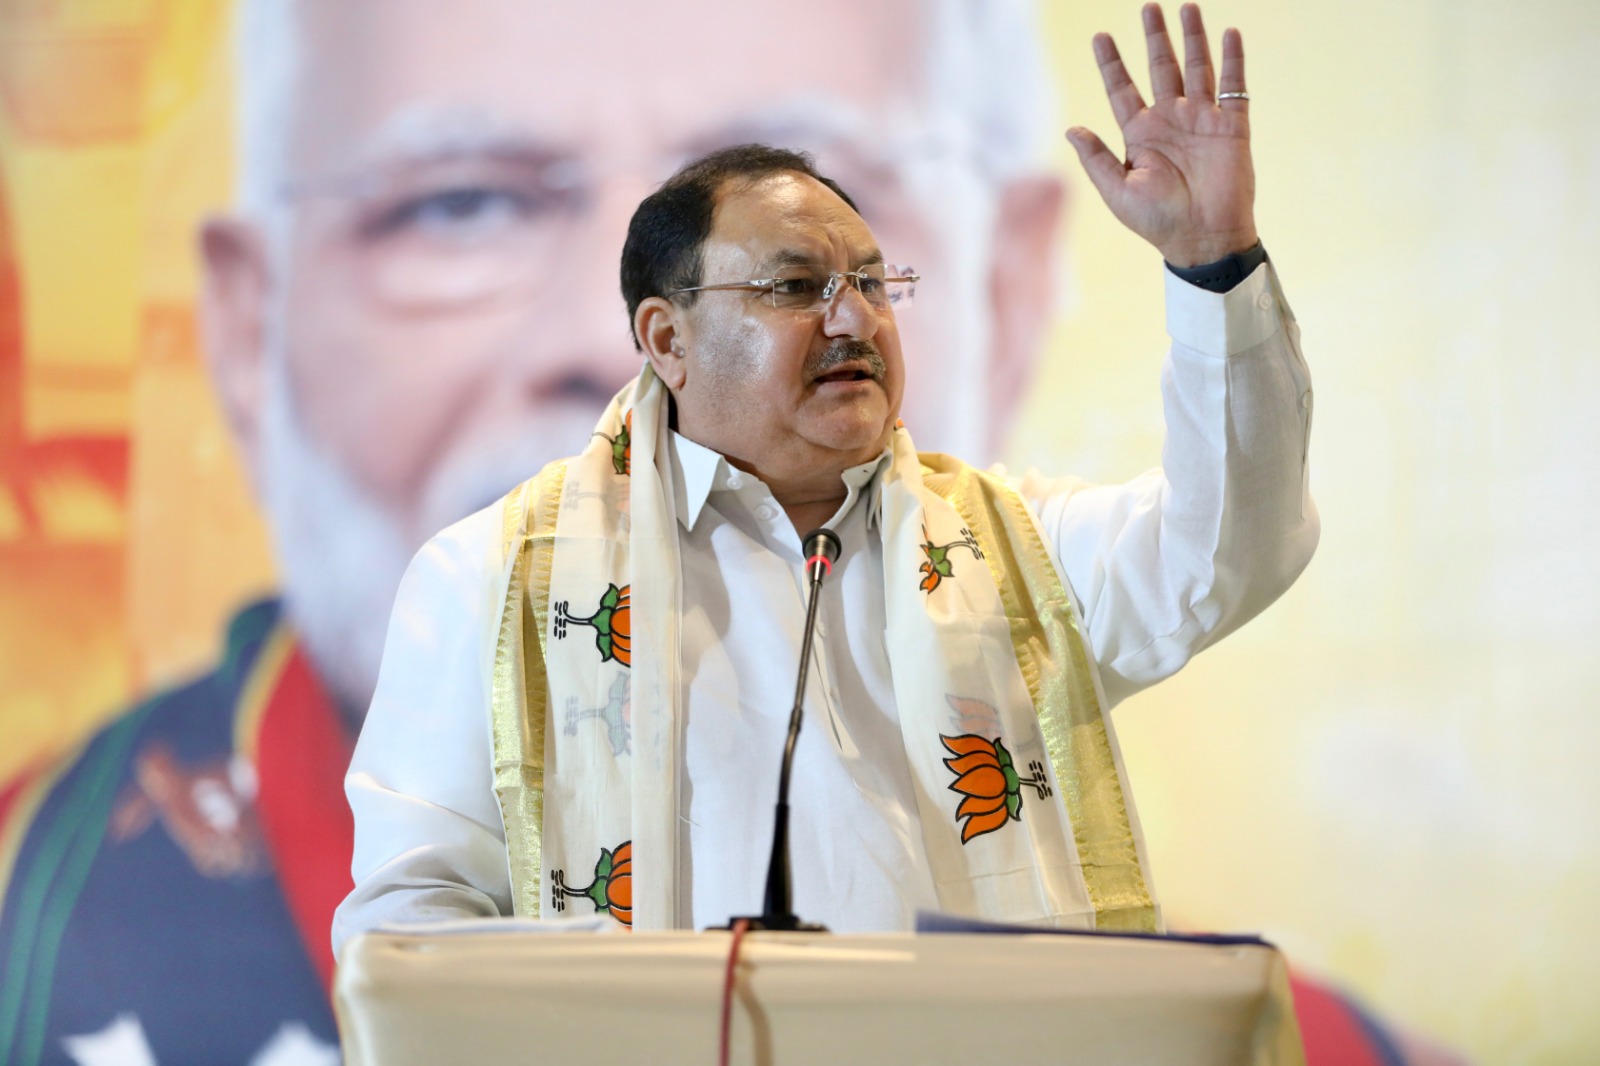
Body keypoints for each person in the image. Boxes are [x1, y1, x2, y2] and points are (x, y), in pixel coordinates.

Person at [0, 2, 1073, 1062]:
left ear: (1008, 294)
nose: (605, 342)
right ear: (246, 329)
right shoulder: (29, 895)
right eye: (461, 205)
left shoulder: (1120, 953)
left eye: (787, 257)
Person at [334, 7, 1315, 943]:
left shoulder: (1015, 556)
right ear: (665, 337)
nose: (854, 321)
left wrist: (1213, 266)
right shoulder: (493, 581)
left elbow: (1227, 543)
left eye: (872, 284)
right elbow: (412, 918)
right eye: (798, 287)